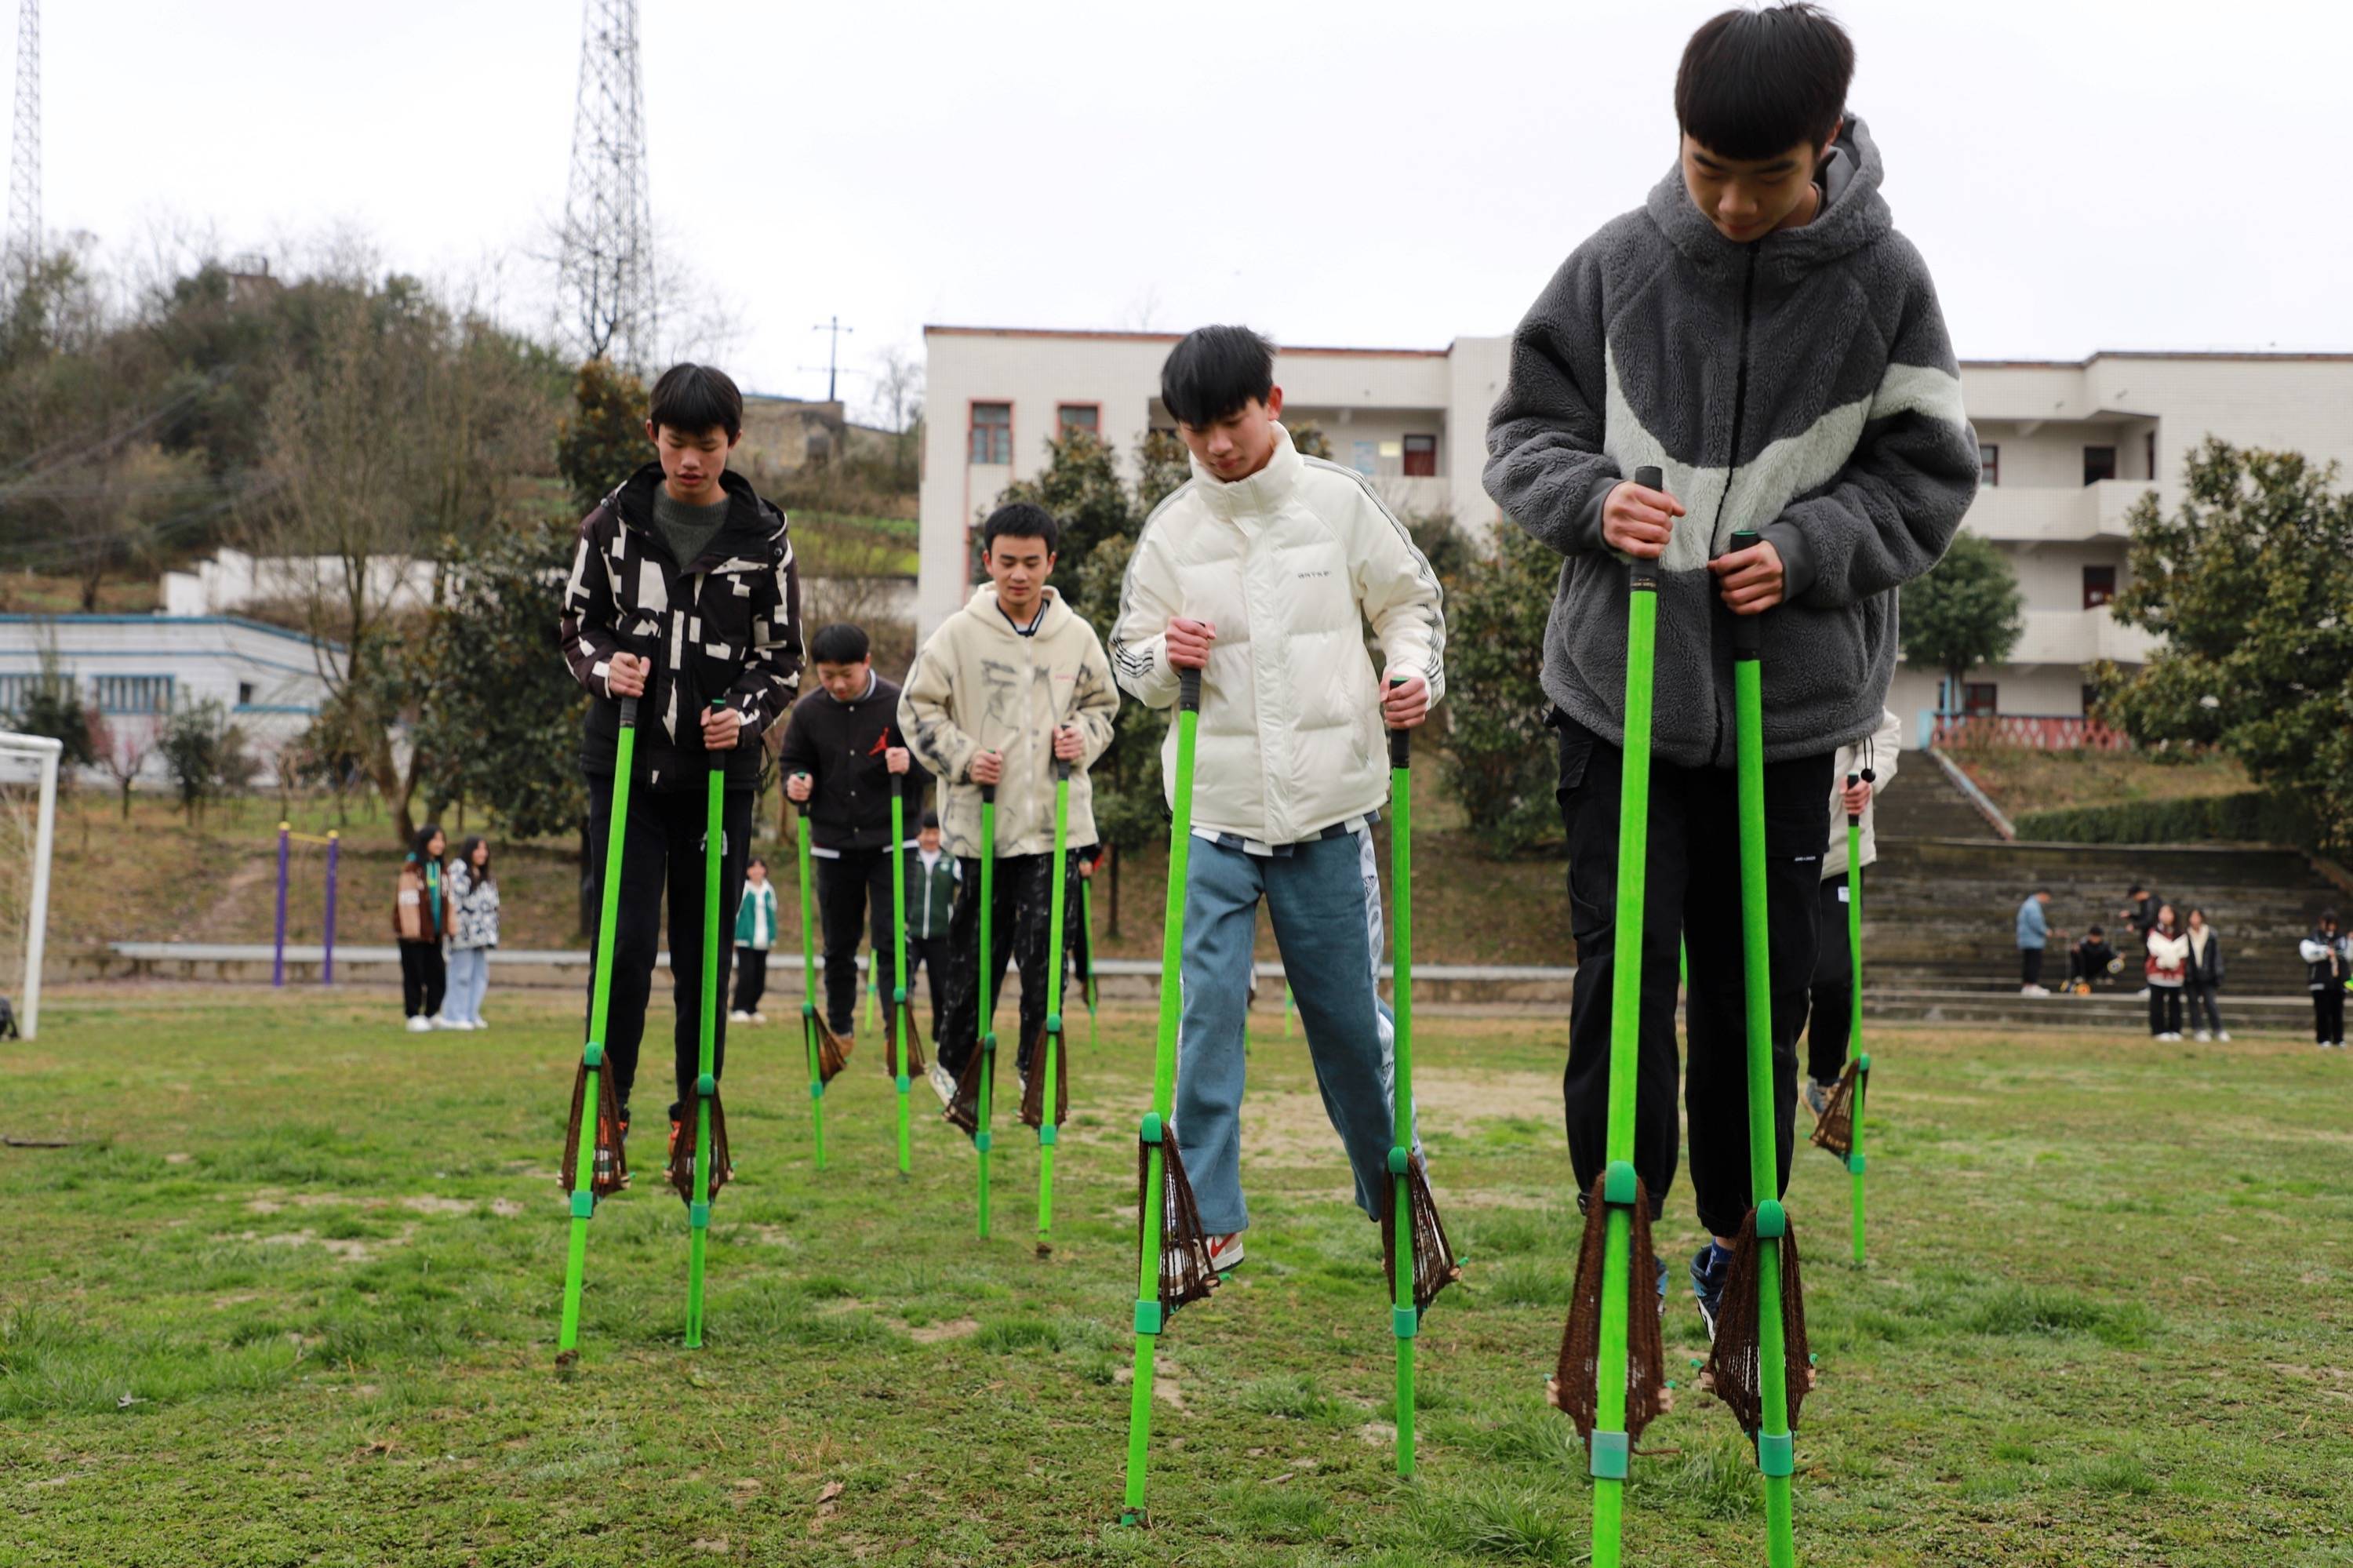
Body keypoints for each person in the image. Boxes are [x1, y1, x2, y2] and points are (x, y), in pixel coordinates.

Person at [1482, 2, 1978, 1335]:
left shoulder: (1888, 287)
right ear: (1680, 142)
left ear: (1826, 147)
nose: (1737, 204)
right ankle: (1619, 1229)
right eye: (1710, 171)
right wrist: (1592, 499)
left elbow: (1929, 474)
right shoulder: (1617, 265)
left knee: (1758, 982)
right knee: (1622, 966)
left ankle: (1735, 1236)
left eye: (1768, 177)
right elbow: (1522, 429)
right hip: (1619, 692)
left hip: (1784, 704)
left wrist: (1812, 544)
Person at [1111, 323, 1446, 1274]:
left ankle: (1396, 1198)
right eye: (1195, 430)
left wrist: (1412, 672)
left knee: (1347, 1025)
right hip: (1212, 820)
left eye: (1232, 419)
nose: (1217, 445)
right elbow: (1126, 658)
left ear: (1273, 404)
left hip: (1330, 816)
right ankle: (1209, 1217)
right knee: (1206, 1013)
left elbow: (1410, 605)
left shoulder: (1339, 504)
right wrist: (1158, 657)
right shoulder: (1171, 532)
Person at [558, 362, 803, 1160]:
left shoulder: (765, 540)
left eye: (706, 444)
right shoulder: (611, 525)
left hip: (717, 782)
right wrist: (605, 670)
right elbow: (576, 628)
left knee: (705, 955)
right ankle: (608, 1105)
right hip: (626, 765)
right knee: (623, 944)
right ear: (652, 438)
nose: (689, 461)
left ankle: (694, 1110)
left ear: (731, 441)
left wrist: (749, 713)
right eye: (675, 443)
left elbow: (784, 659)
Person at [903, 501, 1119, 1114]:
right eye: (1006, 562)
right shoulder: (957, 634)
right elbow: (916, 709)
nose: (1018, 574)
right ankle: (958, 1069)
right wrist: (965, 758)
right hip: (983, 826)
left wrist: (1083, 735)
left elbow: (1104, 707)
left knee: (1047, 956)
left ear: (1050, 562)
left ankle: (1035, 1068)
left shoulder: (1075, 635)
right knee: (974, 954)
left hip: (1056, 825)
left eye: (1031, 562)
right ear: (987, 560)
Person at [776, 621, 928, 1048]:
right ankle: (839, 1030)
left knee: (892, 937)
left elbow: (934, 762)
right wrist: (796, 783)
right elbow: (793, 762)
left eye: (847, 674)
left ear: (867, 662)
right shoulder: (808, 712)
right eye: (827, 676)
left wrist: (909, 765)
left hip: (893, 842)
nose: (838, 685)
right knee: (838, 944)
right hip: (833, 844)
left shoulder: (900, 704)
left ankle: (898, 1030)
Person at [1800, 708, 1900, 1114]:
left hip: (1838, 858)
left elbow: (1884, 729)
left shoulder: (1843, 677)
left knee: (1835, 976)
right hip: (1771, 859)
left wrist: (1865, 777)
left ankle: (1824, 1079)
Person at [905, 811, 958, 1041]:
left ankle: (940, 1037)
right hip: (912, 933)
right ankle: (904, 1036)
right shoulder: (910, 860)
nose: (930, 838)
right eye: (926, 833)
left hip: (940, 934)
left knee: (941, 990)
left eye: (935, 833)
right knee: (904, 986)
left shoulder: (951, 861)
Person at [395, 824, 452, 1033]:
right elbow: (407, 902)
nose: (440, 844)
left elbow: (448, 901)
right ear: (424, 842)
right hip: (414, 935)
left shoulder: (442, 868)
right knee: (414, 975)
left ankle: (432, 1013)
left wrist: (448, 928)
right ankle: (413, 1015)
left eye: (442, 840)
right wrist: (413, 931)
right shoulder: (412, 868)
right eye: (435, 840)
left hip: (435, 934)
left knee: (438, 975)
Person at [442, 835, 500, 1031]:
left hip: (481, 936)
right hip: (463, 934)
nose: (482, 853)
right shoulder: (458, 872)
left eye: (485, 849)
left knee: (480, 975)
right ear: (469, 851)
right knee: (461, 974)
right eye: (478, 849)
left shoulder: (485, 876)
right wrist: (452, 927)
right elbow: (453, 901)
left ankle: (471, 1013)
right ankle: (454, 1015)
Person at [730, 857, 779, 1024]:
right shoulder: (744, 889)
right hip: (745, 941)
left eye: (760, 867)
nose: (757, 871)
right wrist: (734, 935)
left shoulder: (768, 890)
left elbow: (773, 912)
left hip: (763, 941)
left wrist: (772, 936)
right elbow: (736, 914)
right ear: (747, 871)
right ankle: (738, 1008)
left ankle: (752, 1007)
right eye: (753, 868)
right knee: (746, 976)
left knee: (760, 978)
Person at [2301, 909, 2349, 1049]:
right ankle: (2323, 1039)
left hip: (2339, 982)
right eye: (2328, 923)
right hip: (2320, 982)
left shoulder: (2342, 939)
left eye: (2334, 923)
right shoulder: (2313, 938)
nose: (2331, 927)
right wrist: (2325, 952)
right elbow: (2308, 953)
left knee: (2338, 1012)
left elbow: (2348, 956)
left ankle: (2339, 1039)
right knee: (2322, 1012)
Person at [2184, 907, 2228, 1042]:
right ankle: (2198, 1029)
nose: (2195, 919)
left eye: (2197, 916)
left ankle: (2218, 1029)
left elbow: (2216, 955)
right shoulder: (2185, 934)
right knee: (2193, 1003)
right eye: (2192, 916)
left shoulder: (2210, 933)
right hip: (2191, 974)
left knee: (2210, 1002)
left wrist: (2217, 972)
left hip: (2208, 974)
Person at [2144, 904, 2188, 1039]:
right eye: (2162, 913)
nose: (2165, 916)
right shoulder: (2154, 932)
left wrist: (2172, 958)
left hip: (2175, 973)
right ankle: (2158, 1030)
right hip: (2157, 971)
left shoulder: (2181, 933)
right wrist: (2168, 955)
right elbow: (2154, 950)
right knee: (2156, 1002)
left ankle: (2175, 1029)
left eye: (2168, 913)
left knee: (2175, 1003)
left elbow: (2183, 952)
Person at [2017, 889, 2055, 997]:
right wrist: (2046, 931)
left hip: (2027, 939)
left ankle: (2027, 986)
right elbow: (2036, 921)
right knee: (2033, 964)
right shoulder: (2033, 906)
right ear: (2043, 895)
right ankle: (2031, 985)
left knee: (2029, 963)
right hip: (2033, 940)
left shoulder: (2028, 904)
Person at [2064, 925, 2120, 994]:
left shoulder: (2105, 945)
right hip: (2086, 970)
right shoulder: (2083, 943)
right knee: (2075, 953)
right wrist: (2075, 950)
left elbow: (2113, 955)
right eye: (2093, 936)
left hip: (2099, 969)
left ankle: (2104, 977)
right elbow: (2074, 952)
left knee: (2116, 961)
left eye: (2097, 936)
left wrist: (2119, 956)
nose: (2095, 938)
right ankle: (2078, 976)